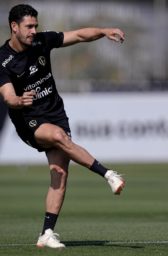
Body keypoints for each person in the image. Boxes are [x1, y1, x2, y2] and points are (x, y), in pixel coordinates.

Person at [0, 4, 125, 249]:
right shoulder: (3, 60)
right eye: (29, 26)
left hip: (56, 112)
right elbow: (7, 96)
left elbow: (78, 36)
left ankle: (46, 234)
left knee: (60, 174)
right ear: (14, 27)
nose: (34, 30)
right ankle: (108, 174)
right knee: (58, 136)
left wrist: (103, 30)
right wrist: (18, 100)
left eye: (35, 25)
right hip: (28, 121)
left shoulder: (41, 41)